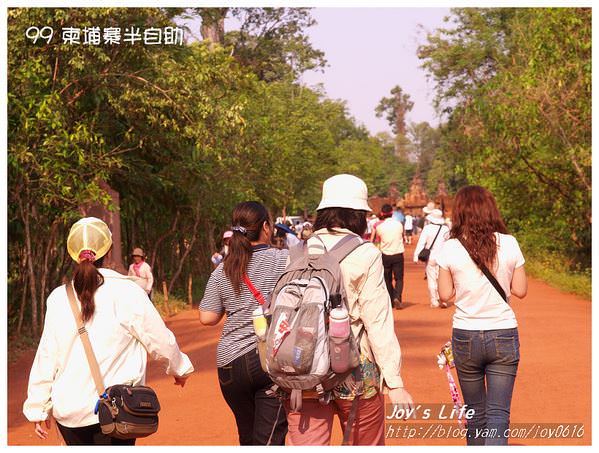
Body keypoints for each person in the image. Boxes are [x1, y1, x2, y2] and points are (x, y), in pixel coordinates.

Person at [23, 217, 193, 446]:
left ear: (71, 253)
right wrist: (178, 368)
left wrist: (38, 407)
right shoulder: (127, 291)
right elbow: (158, 338)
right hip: (116, 411)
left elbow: (46, 355)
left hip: (70, 414)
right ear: (109, 250)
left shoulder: (57, 297)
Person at [284, 174, 413, 446]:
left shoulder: (298, 251)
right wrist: (395, 382)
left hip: (302, 367)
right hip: (354, 371)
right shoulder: (365, 253)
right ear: (359, 215)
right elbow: (377, 322)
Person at [436, 185, 527, 445]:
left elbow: (444, 294)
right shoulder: (509, 243)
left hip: (465, 335)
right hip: (503, 333)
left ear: (459, 213)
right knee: (498, 414)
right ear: (491, 210)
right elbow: (520, 290)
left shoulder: (450, 247)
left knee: (475, 414)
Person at [199, 202, 288, 445]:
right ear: (266, 228)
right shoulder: (284, 259)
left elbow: (207, 317)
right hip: (269, 360)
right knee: (269, 439)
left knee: (247, 438)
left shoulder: (223, 270)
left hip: (229, 365)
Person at [413, 209, 449, 308]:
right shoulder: (446, 229)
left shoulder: (427, 228)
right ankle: (444, 300)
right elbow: (449, 243)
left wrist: (416, 256)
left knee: (432, 279)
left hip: (431, 257)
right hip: (443, 258)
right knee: (442, 279)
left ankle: (434, 301)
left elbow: (421, 243)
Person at [373, 204, 405, 309]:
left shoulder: (379, 227)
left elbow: (377, 240)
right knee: (399, 278)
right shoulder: (399, 224)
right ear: (392, 212)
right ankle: (397, 297)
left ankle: (391, 300)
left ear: (382, 213)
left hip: (385, 255)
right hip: (398, 254)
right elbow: (402, 237)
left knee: (387, 279)